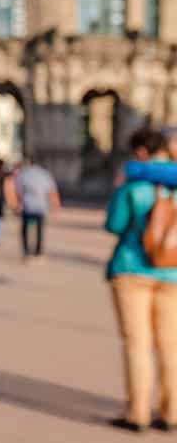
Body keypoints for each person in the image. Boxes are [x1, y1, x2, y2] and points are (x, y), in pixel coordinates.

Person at [105, 128, 177, 433]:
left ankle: (138, 413)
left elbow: (114, 224)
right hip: (173, 272)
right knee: (171, 344)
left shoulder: (134, 184)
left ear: (140, 152)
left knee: (138, 343)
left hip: (132, 269)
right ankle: (172, 413)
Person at [11, 158, 61, 262]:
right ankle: (38, 252)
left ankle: (26, 252)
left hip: (27, 205)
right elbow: (51, 191)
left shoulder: (24, 174)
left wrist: (16, 205)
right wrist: (55, 205)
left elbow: (18, 191)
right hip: (41, 206)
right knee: (39, 230)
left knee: (24, 229)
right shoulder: (45, 174)